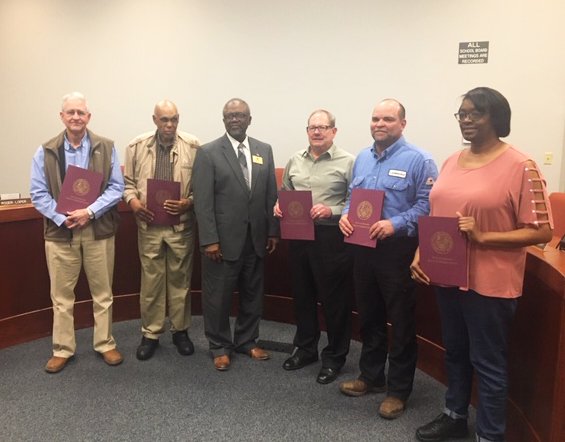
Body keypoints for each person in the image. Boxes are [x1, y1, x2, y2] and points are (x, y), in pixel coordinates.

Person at [411, 87, 553, 442]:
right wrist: (420, 252)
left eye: (476, 113)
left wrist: (485, 236)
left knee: (488, 362)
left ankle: (490, 434)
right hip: (446, 275)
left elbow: (542, 231)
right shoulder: (450, 161)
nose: (467, 120)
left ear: (496, 117)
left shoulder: (522, 165)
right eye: (462, 113)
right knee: (456, 351)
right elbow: (436, 215)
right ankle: (454, 414)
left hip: (490, 283)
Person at [338, 99, 438, 419]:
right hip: (362, 247)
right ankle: (371, 376)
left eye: (388, 119)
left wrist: (394, 224)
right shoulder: (363, 159)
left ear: (403, 124)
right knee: (369, 315)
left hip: (398, 250)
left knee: (401, 320)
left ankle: (398, 390)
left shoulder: (420, 160)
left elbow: (426, 208)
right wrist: (343, 215)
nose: (379, 124)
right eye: (375, 118)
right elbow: (352, 198)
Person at [30, 92, 125, 373]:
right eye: (70, 112)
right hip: (61, 234)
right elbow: (38, 193)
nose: (75, 117)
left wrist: (90, 212)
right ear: (62, 116)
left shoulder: (106, 147)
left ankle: (106, 343)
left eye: (80, 112)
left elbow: (117, 188)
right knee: (61, 297)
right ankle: (62, 349)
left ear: (88, 117)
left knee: (103, 293)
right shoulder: (45, 151)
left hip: (98, 230)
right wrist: (63, 217)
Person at [192, 98, 279, 371]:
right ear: (223, 120)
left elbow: (270, 195)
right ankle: (219, 346)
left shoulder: (264, 150)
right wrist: (209, 239)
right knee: (217, 296)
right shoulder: (208, 153)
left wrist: (273, 231)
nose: (235, 119)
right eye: (229, 115)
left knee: (253, 293)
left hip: (256, 238)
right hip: (221, 242)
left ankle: (246, 340)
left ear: (249, 119)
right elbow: (203, 201)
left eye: (240, 115)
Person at [274, 109, 354, 384]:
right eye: (312, 127)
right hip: (298, 237)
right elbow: (285, 192)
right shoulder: (295, 160)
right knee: (303, 295)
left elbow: (355, 202)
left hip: (331, 239)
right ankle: (306, 348)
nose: (317, 131)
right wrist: (279, 206)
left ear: (334, 130)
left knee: (334, 301)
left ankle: (334, 357)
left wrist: (331, 210)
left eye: (323, 127)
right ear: (307, 131)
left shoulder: (349, 162)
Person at [123, 100, 200, 360]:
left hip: (181, 225)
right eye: (164, 119)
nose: (169, 125)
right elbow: (127, 183)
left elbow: (203, 188)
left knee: (181, 280)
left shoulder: (193, 146)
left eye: (174, 119)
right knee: (151, 281)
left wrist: (189, 202)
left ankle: (180, 331)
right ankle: (151, 333)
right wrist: (133, 203)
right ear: (154, 120)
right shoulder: (136, 146)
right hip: (149, 225)